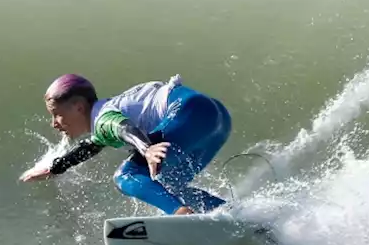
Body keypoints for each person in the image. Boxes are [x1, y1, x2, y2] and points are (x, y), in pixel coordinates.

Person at [19, 73, 232, 214]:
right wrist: (55, 168)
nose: (54, 124)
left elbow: (122, 127)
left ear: (78, 107)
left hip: (189, 112)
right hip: (217, 119)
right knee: (167, 186)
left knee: (126, 176)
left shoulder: (104, 118)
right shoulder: (106, 112)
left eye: (56, 115)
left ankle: (184, 218)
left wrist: (147, 149)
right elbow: (91, 146)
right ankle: (231, 215)